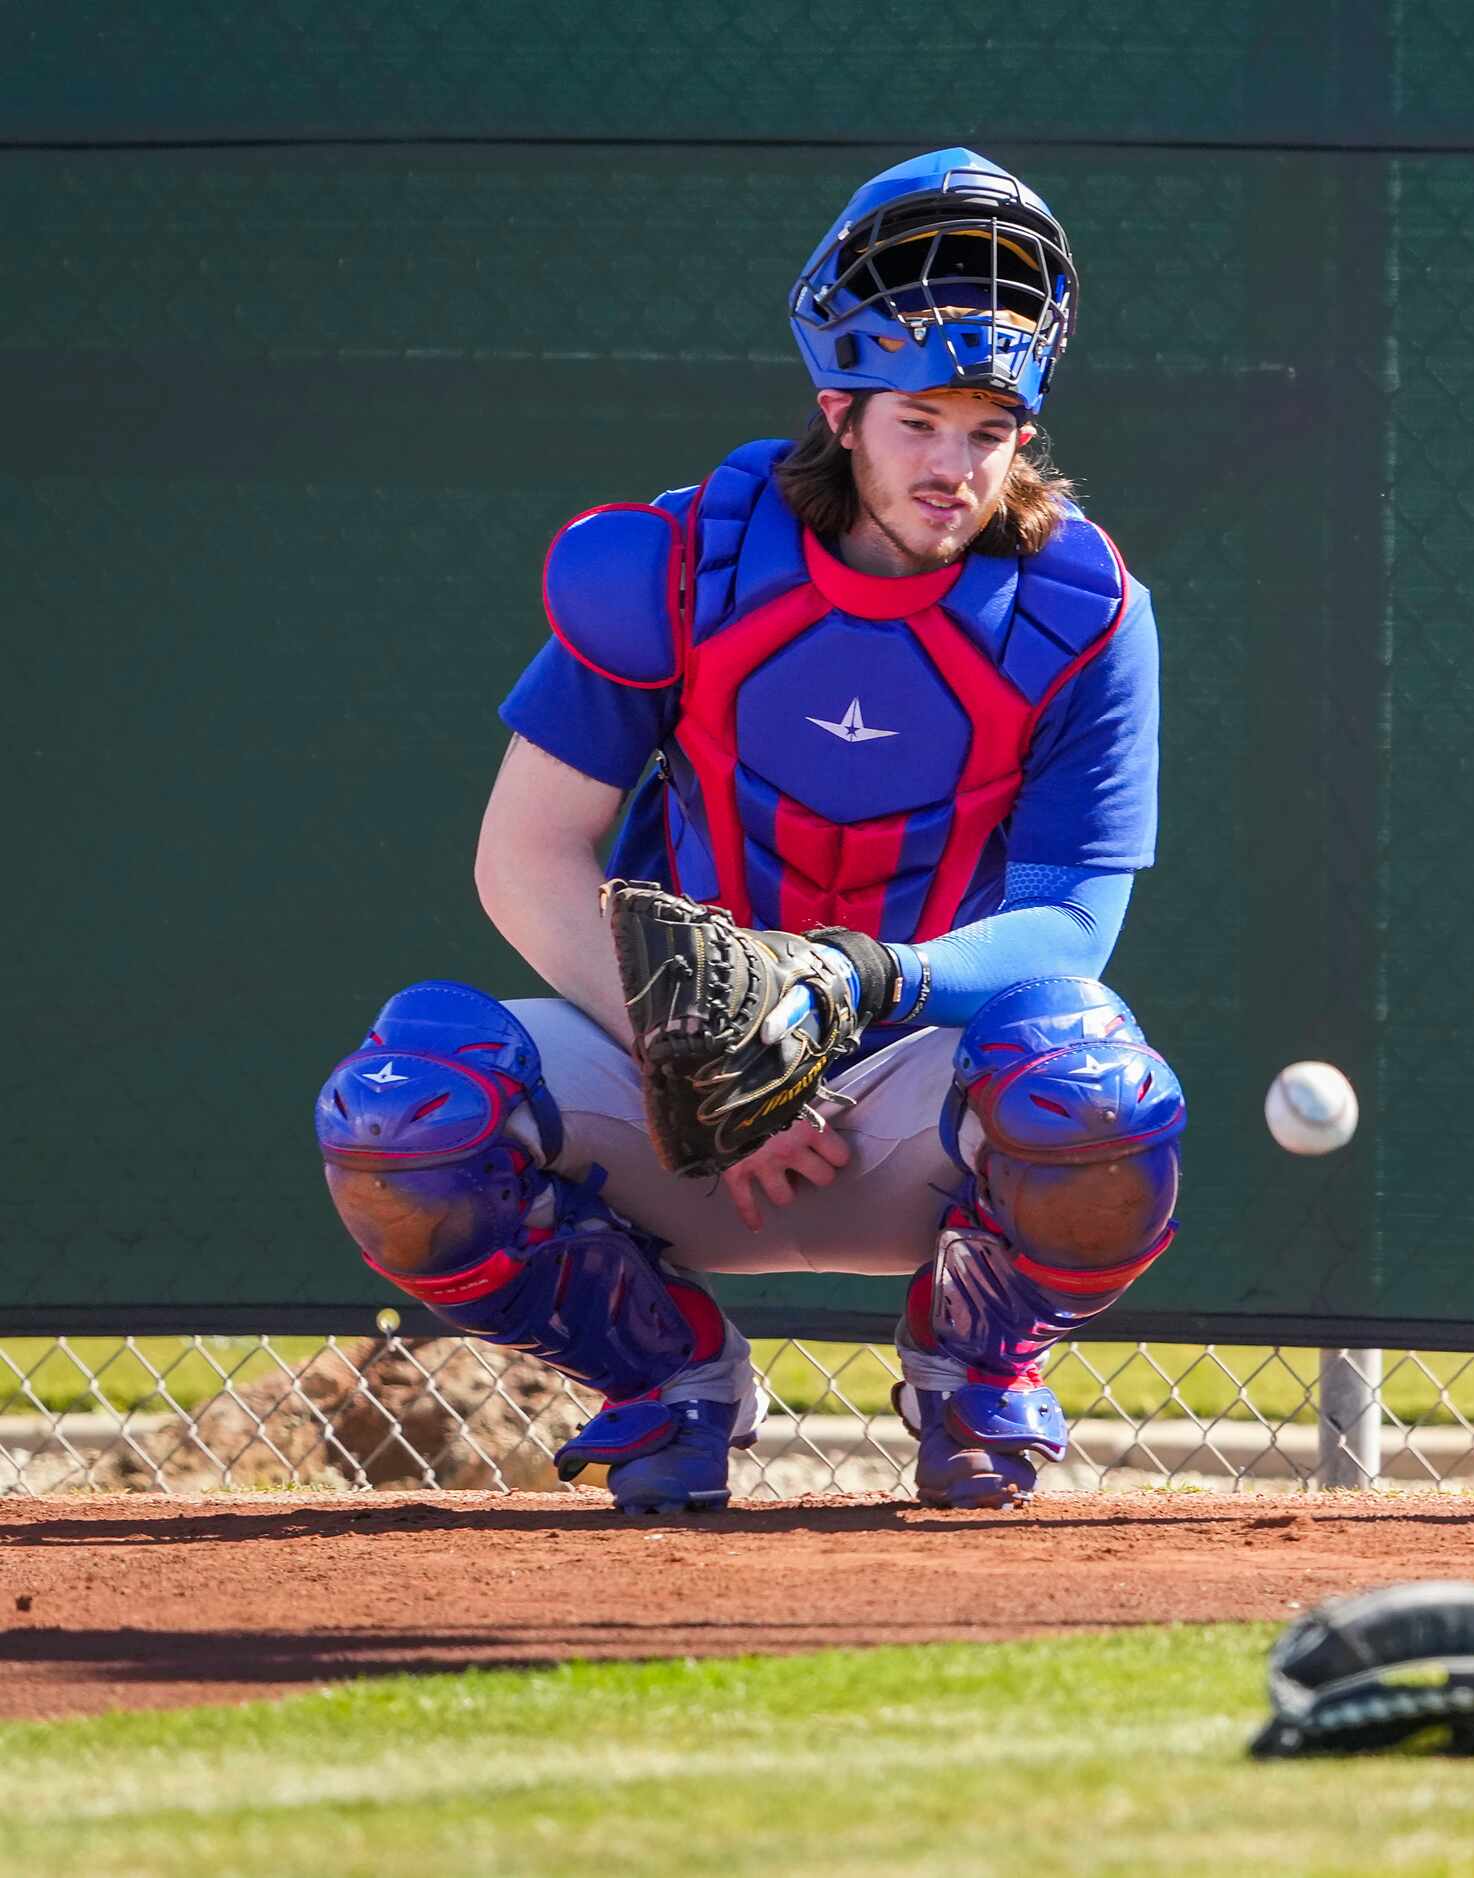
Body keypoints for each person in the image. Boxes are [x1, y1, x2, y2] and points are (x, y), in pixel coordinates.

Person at [313, 148, 1183, 1513]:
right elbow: (524, 856)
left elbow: (1075, 920)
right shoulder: (679, 564)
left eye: (990, 429)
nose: (955, 466)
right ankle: (666, 1369)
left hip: (911, 1092)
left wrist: (856, 979)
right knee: (402, 1114)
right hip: (681, 1104)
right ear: (840, 409)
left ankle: (975, 1364)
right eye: (919, 422)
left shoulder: (1084, 611)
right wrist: (699, 1062)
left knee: (1095, 1092)